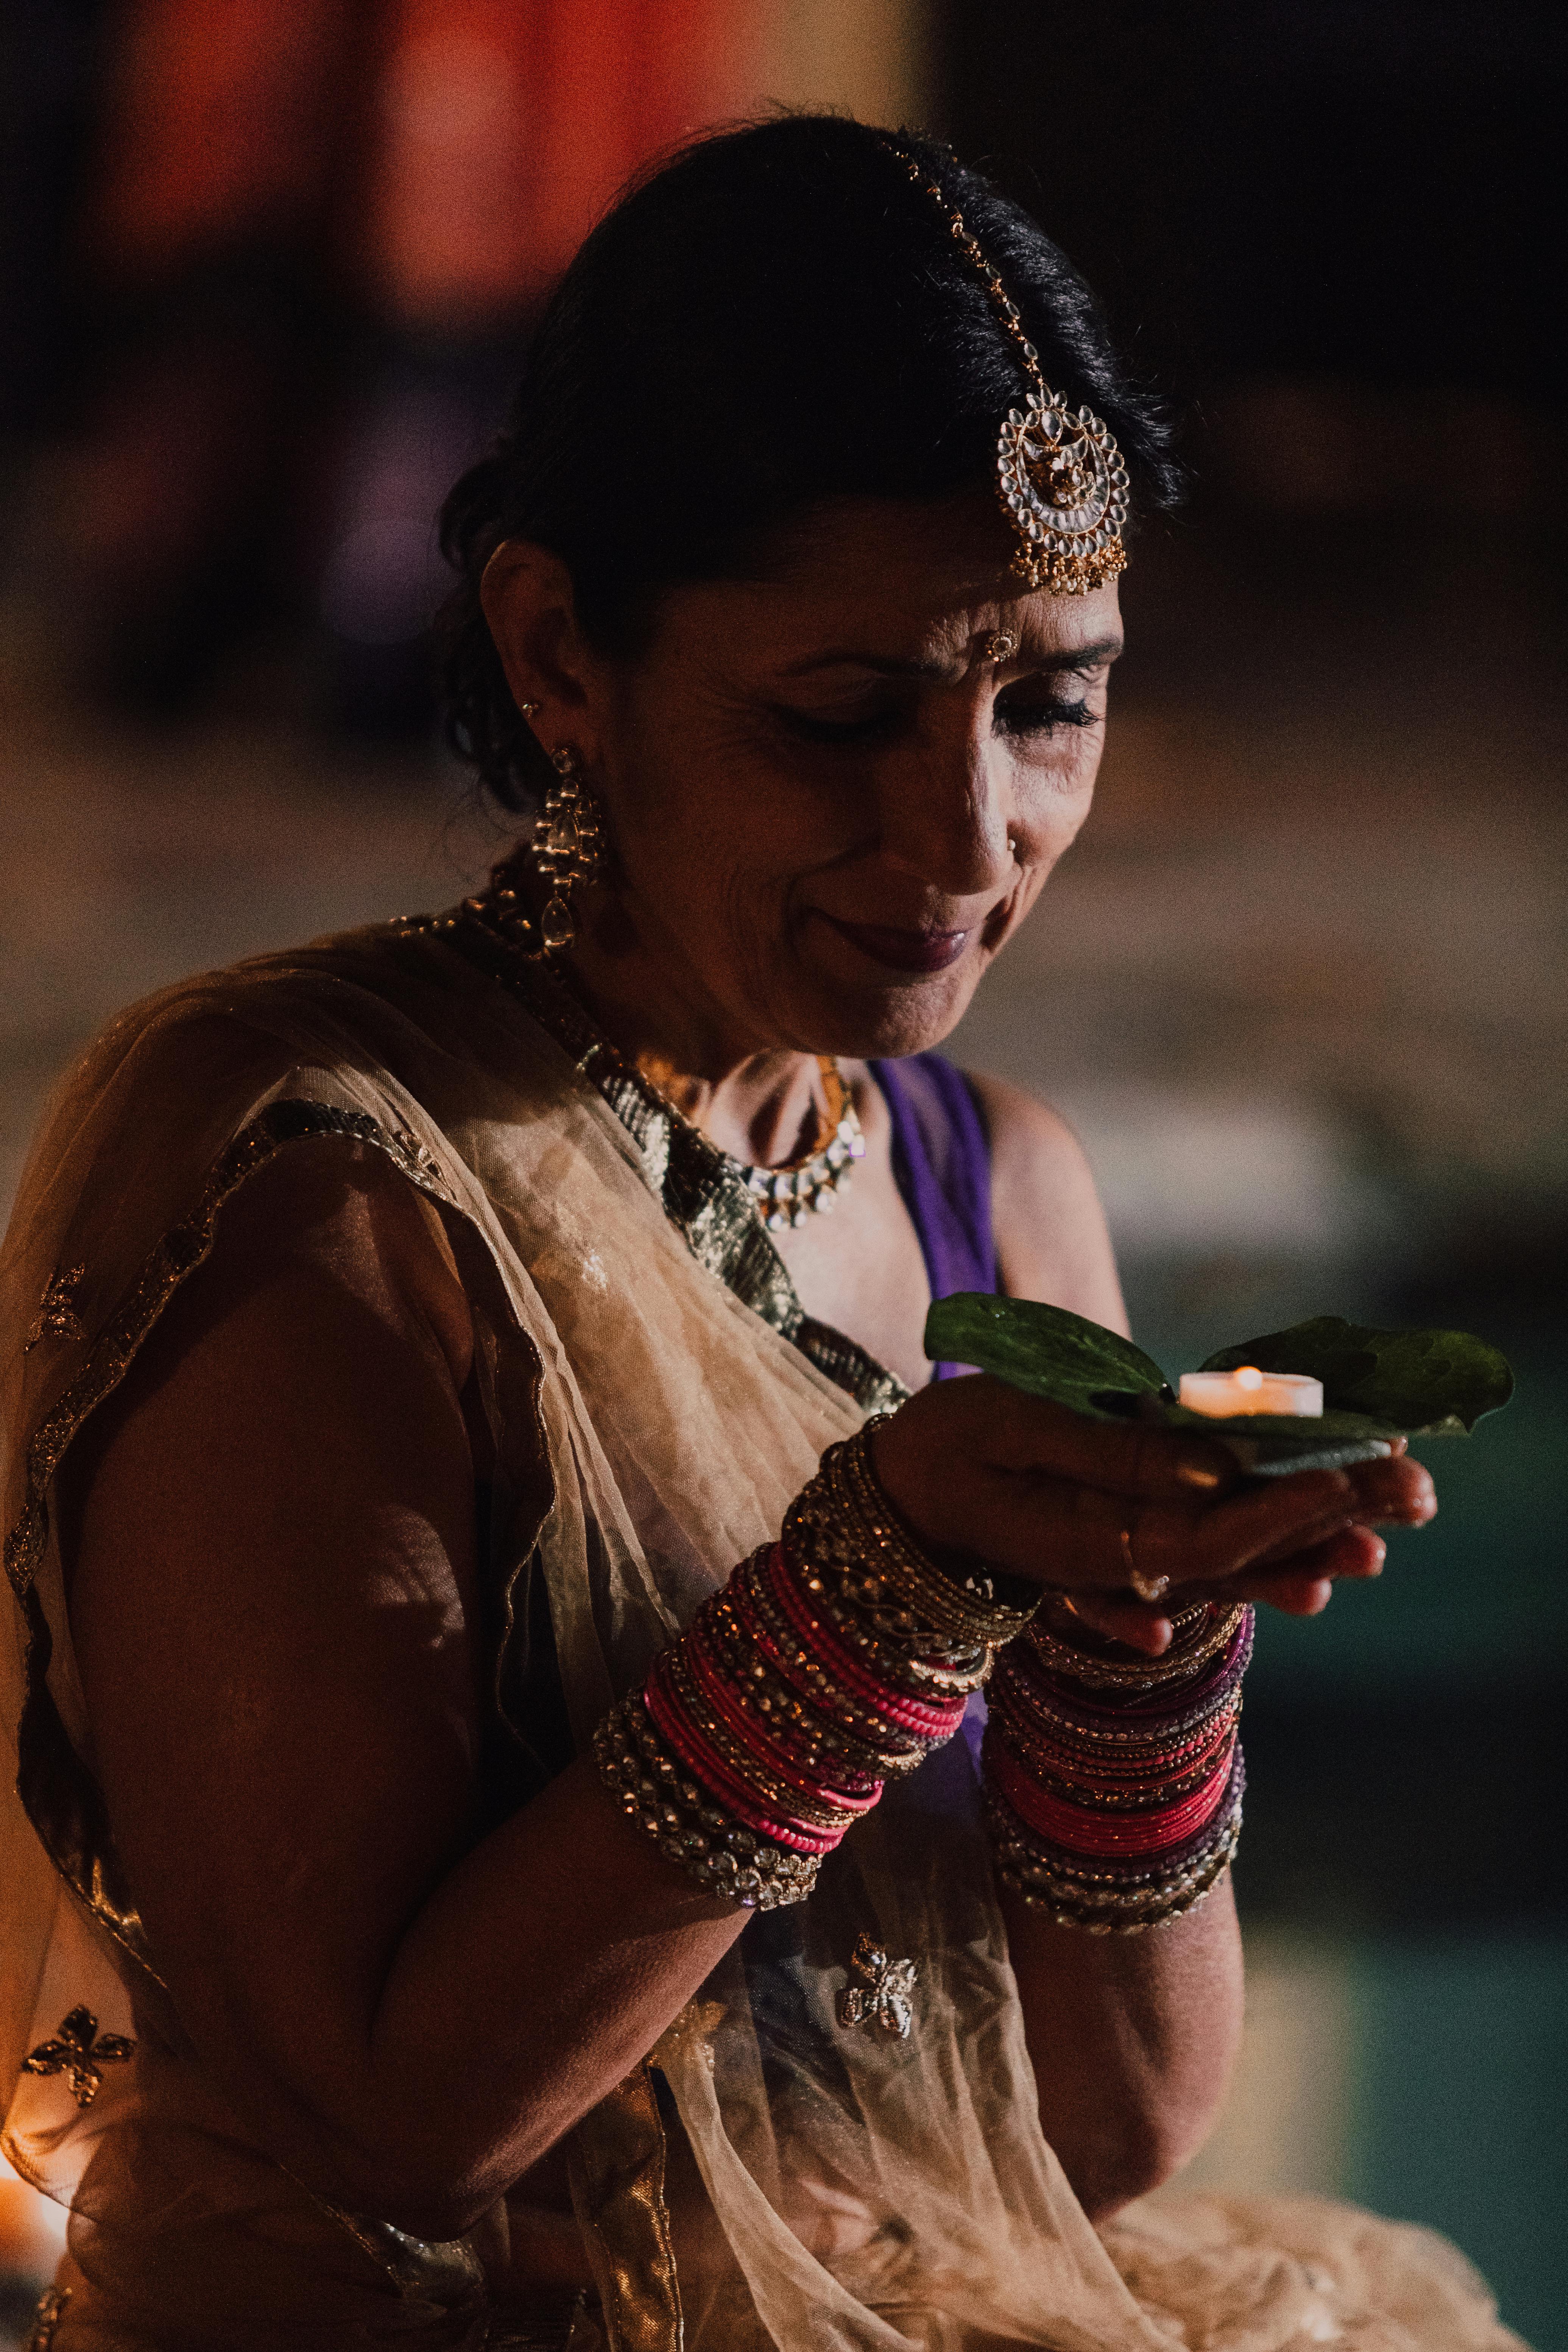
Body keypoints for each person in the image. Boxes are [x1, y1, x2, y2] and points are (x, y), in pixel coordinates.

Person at [0, 116, 1524, 2352]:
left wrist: (1138, 1652)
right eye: (842, 715)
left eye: (1055, 702)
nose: (970, 832)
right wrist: (874, 1589)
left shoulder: (993, 1184)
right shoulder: (324, 1185)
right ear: (558, 653)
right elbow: (397, 2117)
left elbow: (1103, 2130)